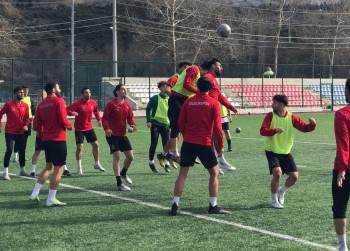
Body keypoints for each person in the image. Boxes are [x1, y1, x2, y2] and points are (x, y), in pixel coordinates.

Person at [169, 77, 230, 216]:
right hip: (204, 143)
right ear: (209, 88)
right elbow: (217, 128)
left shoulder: (188, 101)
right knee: (214, 173)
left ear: (197, 86)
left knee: (182, 174)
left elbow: (180, 122)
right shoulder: (213, 103)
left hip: (188, 143)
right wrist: (220, 147)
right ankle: (213, 205)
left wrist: (186, 135)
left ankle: (175, 204)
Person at [260, 95, 316, 209]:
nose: (272, 104)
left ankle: (282, 191)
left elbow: (304, 128)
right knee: (277, 173)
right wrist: (274, 130)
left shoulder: (292, 117)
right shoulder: (270, 116)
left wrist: (312, 125)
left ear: (281, 104)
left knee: (294, 176)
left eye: (274, 102)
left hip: (285, 151)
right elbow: (262, 131)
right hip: (272, 150)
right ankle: (274, 200)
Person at [29, 82, 72, 206]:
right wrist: (69, 126)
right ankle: (51, 199)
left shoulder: (41, 105)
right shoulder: (59, 101)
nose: (60, 89)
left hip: (47, 140)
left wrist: (43, 134)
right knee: (59, 169)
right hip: (58, 140)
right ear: (53, 89)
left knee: (48, 167)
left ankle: (34, 193)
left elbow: (36, 126)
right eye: (58, 87)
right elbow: (63, 120)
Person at [158, 63, 200, 165]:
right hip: (177, 104)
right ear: (181, 68)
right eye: (185, 67)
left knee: (178, 133)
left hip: (183, 103)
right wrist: (176, 99)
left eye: (188, 67)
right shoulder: (175, 77)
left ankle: (164, 154)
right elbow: (168, 89)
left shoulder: (190, 78)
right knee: (176, 131)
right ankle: (174, 153)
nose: (187, 69)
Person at [202, 58, 238, 172]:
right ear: (213, 66)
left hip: (212, 111)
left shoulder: (213, 79)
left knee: (213, 138)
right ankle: (220, 160)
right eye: (220, 66)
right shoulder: (207, 78)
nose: (221, 68)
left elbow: (220, 97)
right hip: (210, 112)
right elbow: (202, 93)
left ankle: (216, 163)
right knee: (216, 135)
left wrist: (231, 107)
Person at [29, 89, 71, 177]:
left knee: (54, 159)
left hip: (49, 135)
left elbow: (64, 112)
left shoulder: (53, 102)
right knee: (38, 152)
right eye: (41, 93)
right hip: (46, 135)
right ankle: (32, 170)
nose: (42, 95)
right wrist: (68, 125)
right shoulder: (41, 105)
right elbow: (36, 123)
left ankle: (65, 168)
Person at [102, 84, 136, 191]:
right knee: (116, 156)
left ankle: (123, 173)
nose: (125, 91)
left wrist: (132, 126)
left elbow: (131, 119)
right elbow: (104, 119)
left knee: (130, 157)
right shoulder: (111, 104)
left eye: (126, 89)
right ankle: (119, 183)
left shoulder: (127, 105)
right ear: (117, 92)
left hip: (123, 135)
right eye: (122, 89)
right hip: (112, 135)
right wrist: (107, 128)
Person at [67, 87, 104, 175]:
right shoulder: (77, 103)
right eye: (86, 92)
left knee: (96, 145)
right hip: (79, 129)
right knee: (80, 148)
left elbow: (95, 111)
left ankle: (97, 163)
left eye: (89, 92)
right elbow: (67, 110)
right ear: (82, 94)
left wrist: (99, 120)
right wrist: (72, 113)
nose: (88, 94)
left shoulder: (93, 102)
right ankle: (79, 168)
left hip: (89, 128)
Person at [332, 79, 350, 251]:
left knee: (340, 206)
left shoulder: (342, 114)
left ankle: (342, 247)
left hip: (346, 168)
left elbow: (344, 144)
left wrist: (342, 169)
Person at [0, 86, 30, 180]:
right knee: (9, 150)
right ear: (15, 93)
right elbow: (0, 114)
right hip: (9, 132)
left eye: (23, 92)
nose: (22, 93)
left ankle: (22, 170)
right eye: (20, 92)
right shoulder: (9, 104)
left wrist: (26, 125)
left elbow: (26, 118)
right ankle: (5, 172)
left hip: (20, 132)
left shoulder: (25, 105)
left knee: (22, 150)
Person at [146, 81, 171, 173]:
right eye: (164, 86)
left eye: (167, 86)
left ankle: (167, 162)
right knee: (154, 143)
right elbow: (148, 109)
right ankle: (151, 162)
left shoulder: (170, 98)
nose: (166, 87)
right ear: (160, 88)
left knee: (166, 145)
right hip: (155, 123)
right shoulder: (155, 98)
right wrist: (148, 121)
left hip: (166, 125)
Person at [13, 85, 34, 163]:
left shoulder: (28, 98)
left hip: (28, 121)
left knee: (25, 139)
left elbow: (32, 108)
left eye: (27, 90)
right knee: (18, 139)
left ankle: (22, 155)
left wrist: (32, 116)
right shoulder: (18, 99)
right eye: (24, 90)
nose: (26, 92)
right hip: (20, 122)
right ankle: (15, 156)